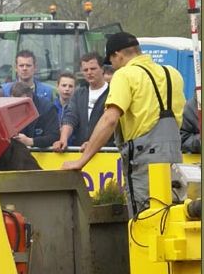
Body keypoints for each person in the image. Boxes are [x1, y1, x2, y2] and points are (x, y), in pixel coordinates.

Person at [62, 32, 184, 217]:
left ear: (117, 54)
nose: (112, 66)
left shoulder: (124, 75)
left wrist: (82, 160)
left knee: (144, 220)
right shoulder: (172, 74)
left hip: (143, 163)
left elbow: (110, 119)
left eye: (111, 61)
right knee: (172, 217)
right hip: (174, 162)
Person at [52, 53, 109, 152]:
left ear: (102, 69)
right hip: (79, 151)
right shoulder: (79, 94)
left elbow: (110, 124)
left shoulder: (113, 93)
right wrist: (63, 139)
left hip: (107, 152)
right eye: (85, 70)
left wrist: (93, 143)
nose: (89, 72)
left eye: (93, 69)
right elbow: (70, 118)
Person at [10, 81, 60, 149]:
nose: (17, 106)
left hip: (41, 153)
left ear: (30, 98)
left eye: (21, 102)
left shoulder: (47, 108)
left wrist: (30, 141)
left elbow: (54, 136)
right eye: (14, 102)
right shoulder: (9, 108)